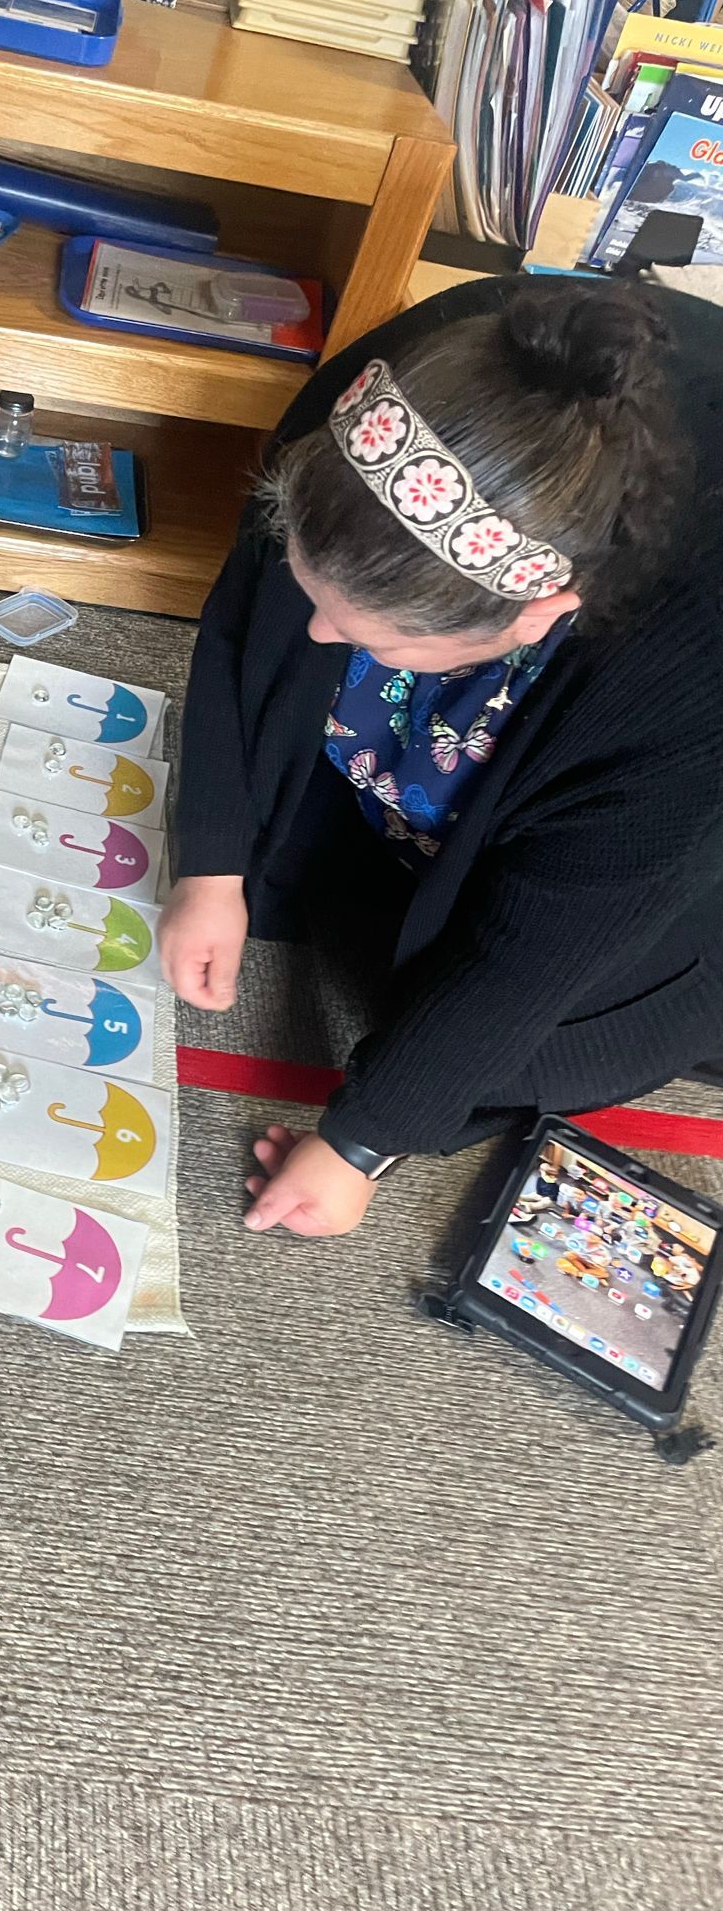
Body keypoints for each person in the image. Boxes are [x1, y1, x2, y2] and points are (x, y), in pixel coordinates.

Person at [161, 275, 723, 1237]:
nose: (322, 634)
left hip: (665, 854)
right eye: (315, 590)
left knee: (533, 1044)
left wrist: (361, 1143)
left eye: (375, 636)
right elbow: (245, 622)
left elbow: (543, 945)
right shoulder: (386, 403)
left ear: (540, 616)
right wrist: (210, 859)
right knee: (302, 872)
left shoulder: (687, 681)